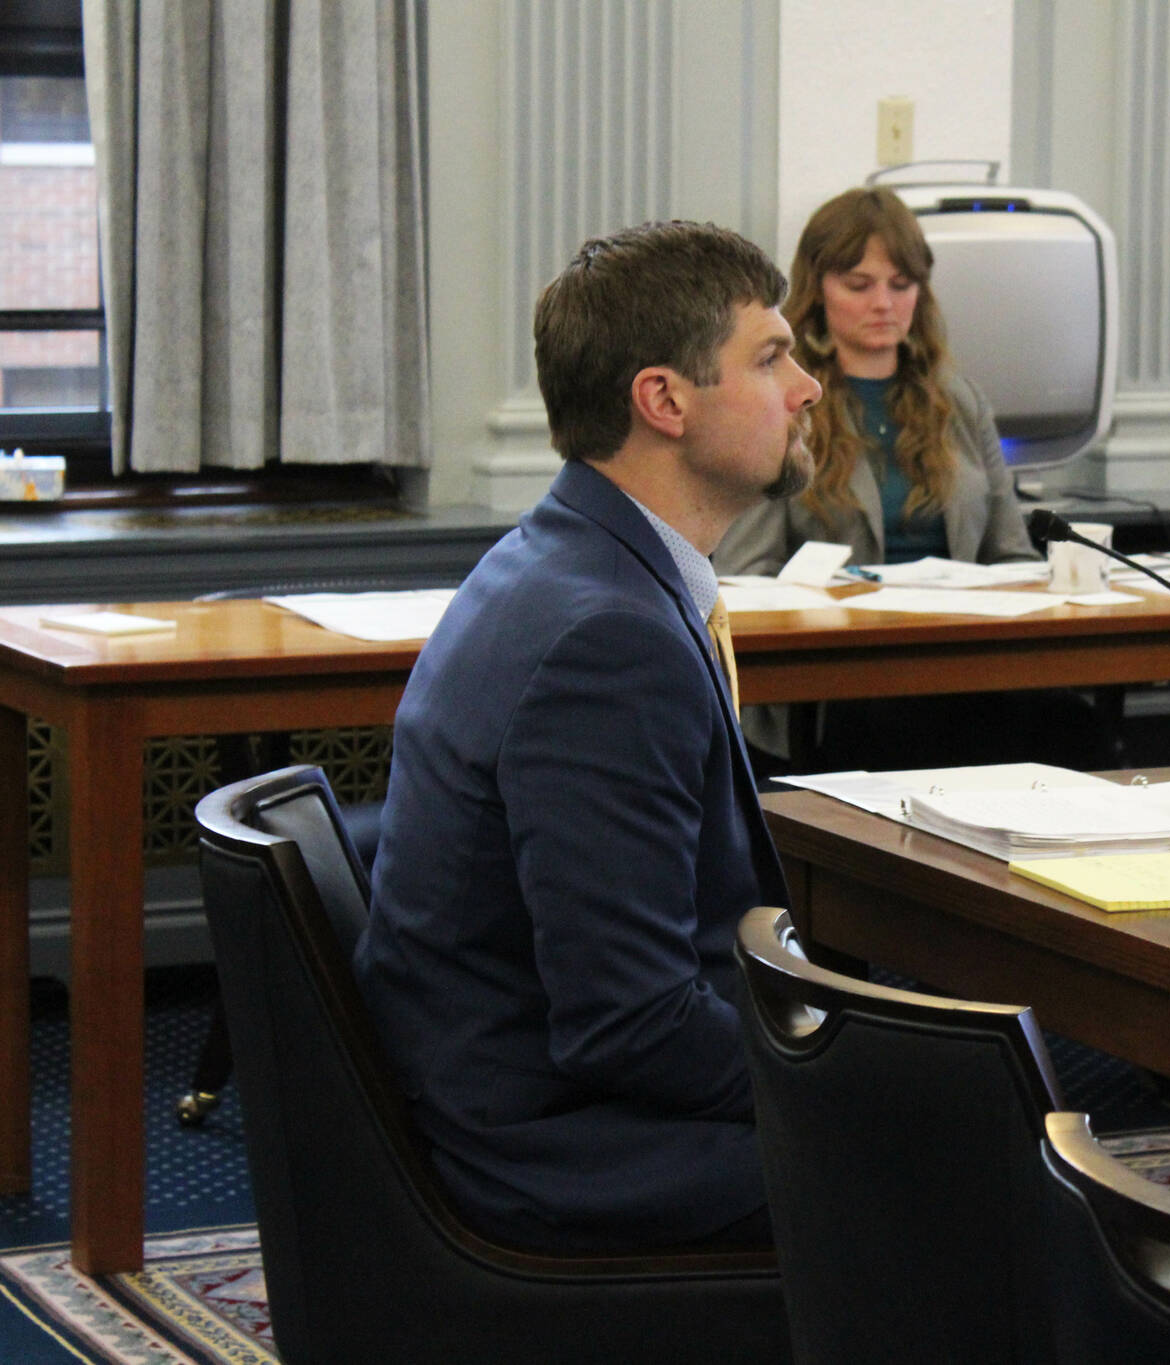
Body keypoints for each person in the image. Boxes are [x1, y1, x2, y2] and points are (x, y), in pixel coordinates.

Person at [354, 222, 821, 1253]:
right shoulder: (606, 638)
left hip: (526, 1086)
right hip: (550, 1145)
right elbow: (626, 1025)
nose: (807, 388)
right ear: (663, 401)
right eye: (770, 357)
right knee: (970, 1159)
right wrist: (854, 1067)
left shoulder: (563, 560)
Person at [714, 186, 1112, 772]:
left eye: (901, 285)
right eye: (859, 284)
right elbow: (745, 575)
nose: (884, 303)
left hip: (960, 661)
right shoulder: (786, 403)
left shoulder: (959, 400)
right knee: (889, 727)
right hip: (842, 679)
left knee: (1075, 729)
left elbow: (1009, 555)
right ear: (818, 289)